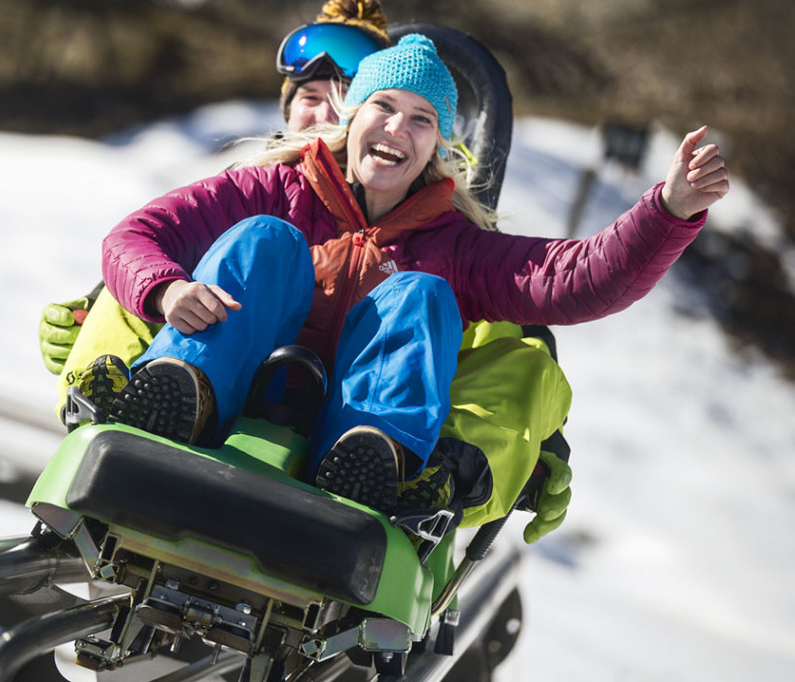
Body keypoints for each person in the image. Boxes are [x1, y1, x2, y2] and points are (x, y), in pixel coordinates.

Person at [94, 33, 728, 521]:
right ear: (353, 116)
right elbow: (136, 236)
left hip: (337, 440)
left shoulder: (452, 246)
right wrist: (167, 288)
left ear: (438, 147)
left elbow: (577, 279)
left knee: (422, 294)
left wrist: (669, 210)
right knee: (265, 239)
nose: (398, 128)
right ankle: (180, 393)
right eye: (385, 106)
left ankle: (373, 457)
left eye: (422, 119)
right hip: (228, 399)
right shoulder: (273, 188)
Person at [41, 0, 390, 395]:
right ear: (288, 111)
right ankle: (113, 396)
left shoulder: (407, 213)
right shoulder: (255, 186)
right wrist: (91, 316)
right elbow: (142, 240)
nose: (324, 114)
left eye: (341, 100)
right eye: (310, 98)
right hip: (208, 391)